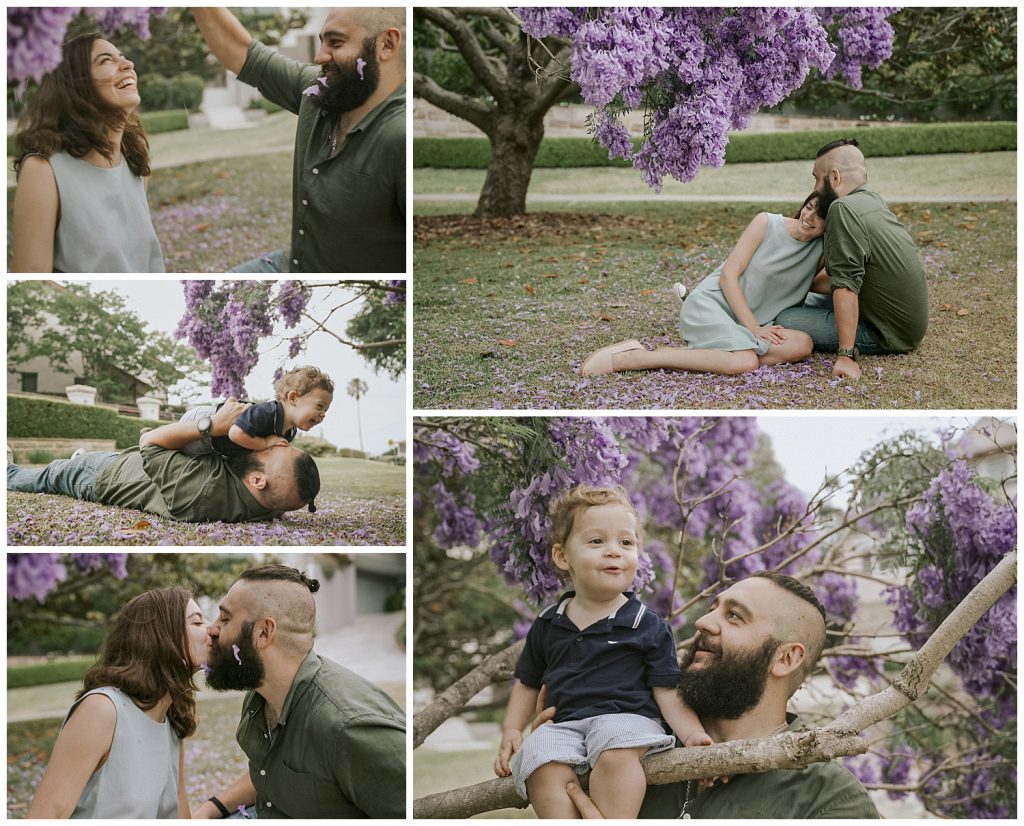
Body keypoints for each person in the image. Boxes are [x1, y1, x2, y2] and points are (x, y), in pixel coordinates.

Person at [561, 572, 880, 819]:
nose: (703, 622)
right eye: (713, 608)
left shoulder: (829, 799)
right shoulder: (630, 739)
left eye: (734, 616)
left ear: (785, 659)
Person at [494, 485, 711, 818]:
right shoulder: (548, 623)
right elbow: (527, 681)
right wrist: (512, 730)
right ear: (562, 556)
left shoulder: (646, 624)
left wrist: (693, 734)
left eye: (626, 542)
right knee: (540, 760)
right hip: (565, 725)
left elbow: (667, 690)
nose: (614, 552)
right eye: (597, 541)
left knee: (615, 753)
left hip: (626, 720)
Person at [191, 7, 405, 274]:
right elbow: (241, 52)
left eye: (336, 42)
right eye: (322, 42)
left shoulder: (400, 137)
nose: (319, 57)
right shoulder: (320, 90)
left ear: (387, 44)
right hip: (292, 267)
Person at [195, 565, 406, 818]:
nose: (212, 628)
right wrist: (211, 809)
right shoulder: (260, 693)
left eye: (225, 619)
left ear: (263, 632)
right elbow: (273, 773)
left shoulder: (349, 728)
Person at [580, 194, 826, 377]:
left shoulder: (822, 250)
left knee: (802, 344)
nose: (808, 217)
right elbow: (728, 276)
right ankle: (636, 357)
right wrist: (753, 328)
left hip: (758, 324)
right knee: (745, 362)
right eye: (808, 207)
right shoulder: (766, 223)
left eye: (819, 215)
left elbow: (816, 283)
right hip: (713, 305)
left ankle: (702, 355)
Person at [27, 587, 209, 818]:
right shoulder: (102, 709)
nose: (212, 630)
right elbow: (45, 816)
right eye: (197, 623)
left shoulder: (173, 720)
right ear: (161, 636)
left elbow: (180, 817)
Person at [6, 398, 318, 522]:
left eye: (274, 448)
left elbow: (149, 442)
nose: (271, 441)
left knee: (50, 475)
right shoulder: (270, 502)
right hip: (142, 467)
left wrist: (216, 425)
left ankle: (8, 472)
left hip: (106, 475)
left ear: (258, 480)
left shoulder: (201, 493)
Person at [775, 138, 929, 381]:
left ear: (834, 177)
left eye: (817, 178)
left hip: (886, 333)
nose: (815, 188)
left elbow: (846, 286)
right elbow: (845, 276)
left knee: (784, 318)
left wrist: (846, 355)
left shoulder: (842, 208)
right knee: (803, 300)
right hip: (902, 321)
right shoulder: (871, 199)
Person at [11, 31, 164, 273]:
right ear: (75, 85)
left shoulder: (135, 160)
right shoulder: (43, 170)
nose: (128, 64)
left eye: (122, 57)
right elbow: (31, 277)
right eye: (106, 60)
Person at [178, 366, 334, 458]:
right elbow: (236, 433)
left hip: (214, 447)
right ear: (293, 397)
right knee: (175, 451)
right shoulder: (268, 413)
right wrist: (264, 443)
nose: (323, 414)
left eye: (326, 410)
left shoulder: (289, 432)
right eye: (319, 406)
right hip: (202, 424)